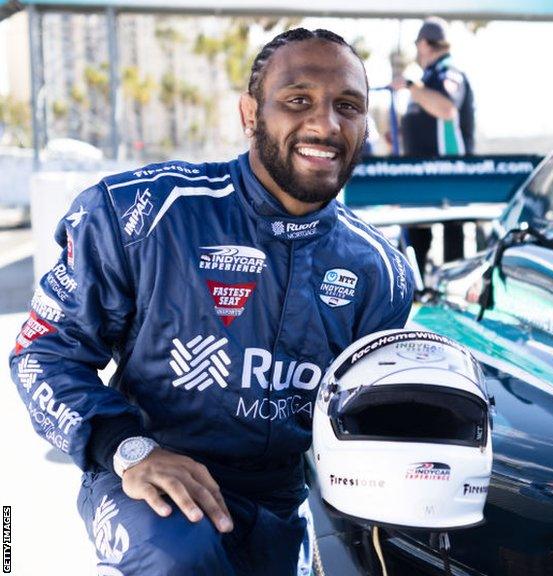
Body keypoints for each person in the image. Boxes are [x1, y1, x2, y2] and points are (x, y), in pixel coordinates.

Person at [9, 28, 415, 575]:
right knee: (181, 558)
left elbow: (368, 422)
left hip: (282, 501)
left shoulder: (380, 271)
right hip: (142, 478)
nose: (325, 124)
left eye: (348, 106)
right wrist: (129, 451)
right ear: (250, 115)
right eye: (298, 101)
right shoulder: (141, 212)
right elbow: (45, 354)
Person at [391, 16, 476, 271]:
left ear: (425, 44)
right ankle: (415, 288)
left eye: (418, 44)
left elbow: (446, 107)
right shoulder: (427, 78)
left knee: (452, 241)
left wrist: (409, 86)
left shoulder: (448, 72)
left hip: (446, 174)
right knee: (416, 237)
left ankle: (448, 293)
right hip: (422, 176)